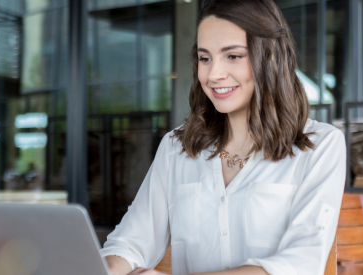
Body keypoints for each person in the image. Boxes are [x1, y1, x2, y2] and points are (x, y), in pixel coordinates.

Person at [100, 0, 346, 274]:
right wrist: (108, 268)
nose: (214, 74)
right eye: (205, 58)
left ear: (271, 57)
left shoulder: (321, 146)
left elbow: (300, 264)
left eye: (233, 56)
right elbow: (130, 242)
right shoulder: (175, 148)